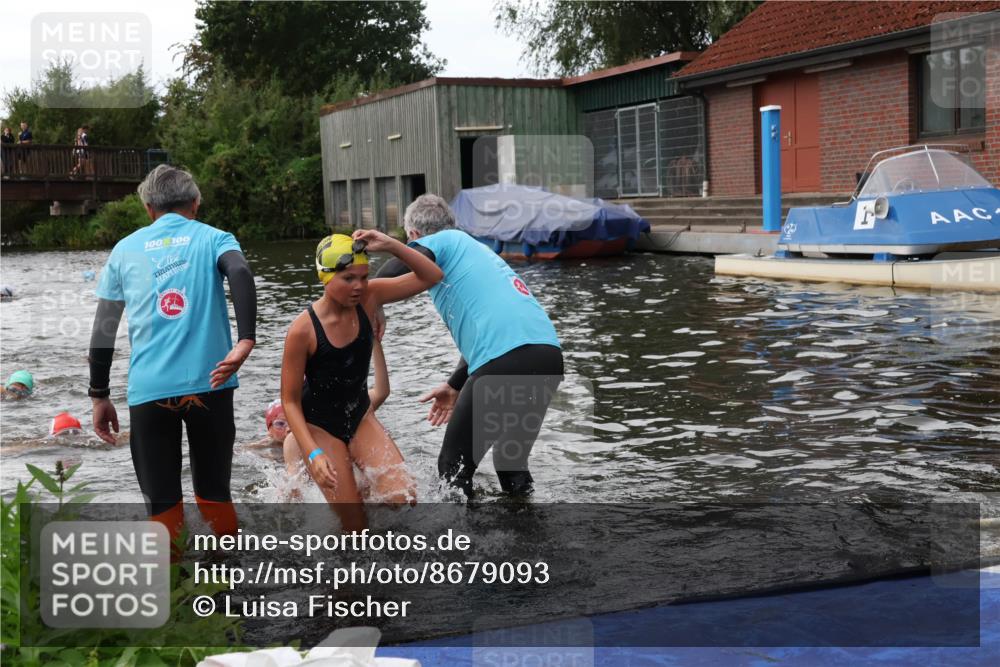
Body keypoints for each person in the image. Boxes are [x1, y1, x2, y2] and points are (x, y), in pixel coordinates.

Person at [88, 164, 257, 544]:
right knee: (215, 492)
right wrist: (246, 339)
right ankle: (226, 584)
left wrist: (99, 395)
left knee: (161, 503)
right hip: (211, 382)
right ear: (195, 203)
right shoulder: (216, 238)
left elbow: (103, 328)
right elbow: (241, 274)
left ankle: (172, 592)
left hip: (150, 391)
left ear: (149, 208)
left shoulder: (124, 250)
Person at [376, 194, 564, 498]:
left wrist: (374, 299)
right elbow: (489, 334)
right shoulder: (478, 251)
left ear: (412, 236)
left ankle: (461, 543)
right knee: (509, 461)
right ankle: (527, 537)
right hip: (547, 357)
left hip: (505, 359)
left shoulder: (443, 240)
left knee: (452, 468)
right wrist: (454, 384)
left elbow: (400, 265)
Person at [280, 231, 442, 531]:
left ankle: (360, 488)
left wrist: (392, 245)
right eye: (348, 279)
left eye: (363, 277)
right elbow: (289, 402)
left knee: (404, 499)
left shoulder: (371, 297)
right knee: (355, 527)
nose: (358, 286)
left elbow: (432, 275)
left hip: (359, 415)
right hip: (320, 427)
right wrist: (313, 453)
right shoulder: (302, 331)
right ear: (325, 278)